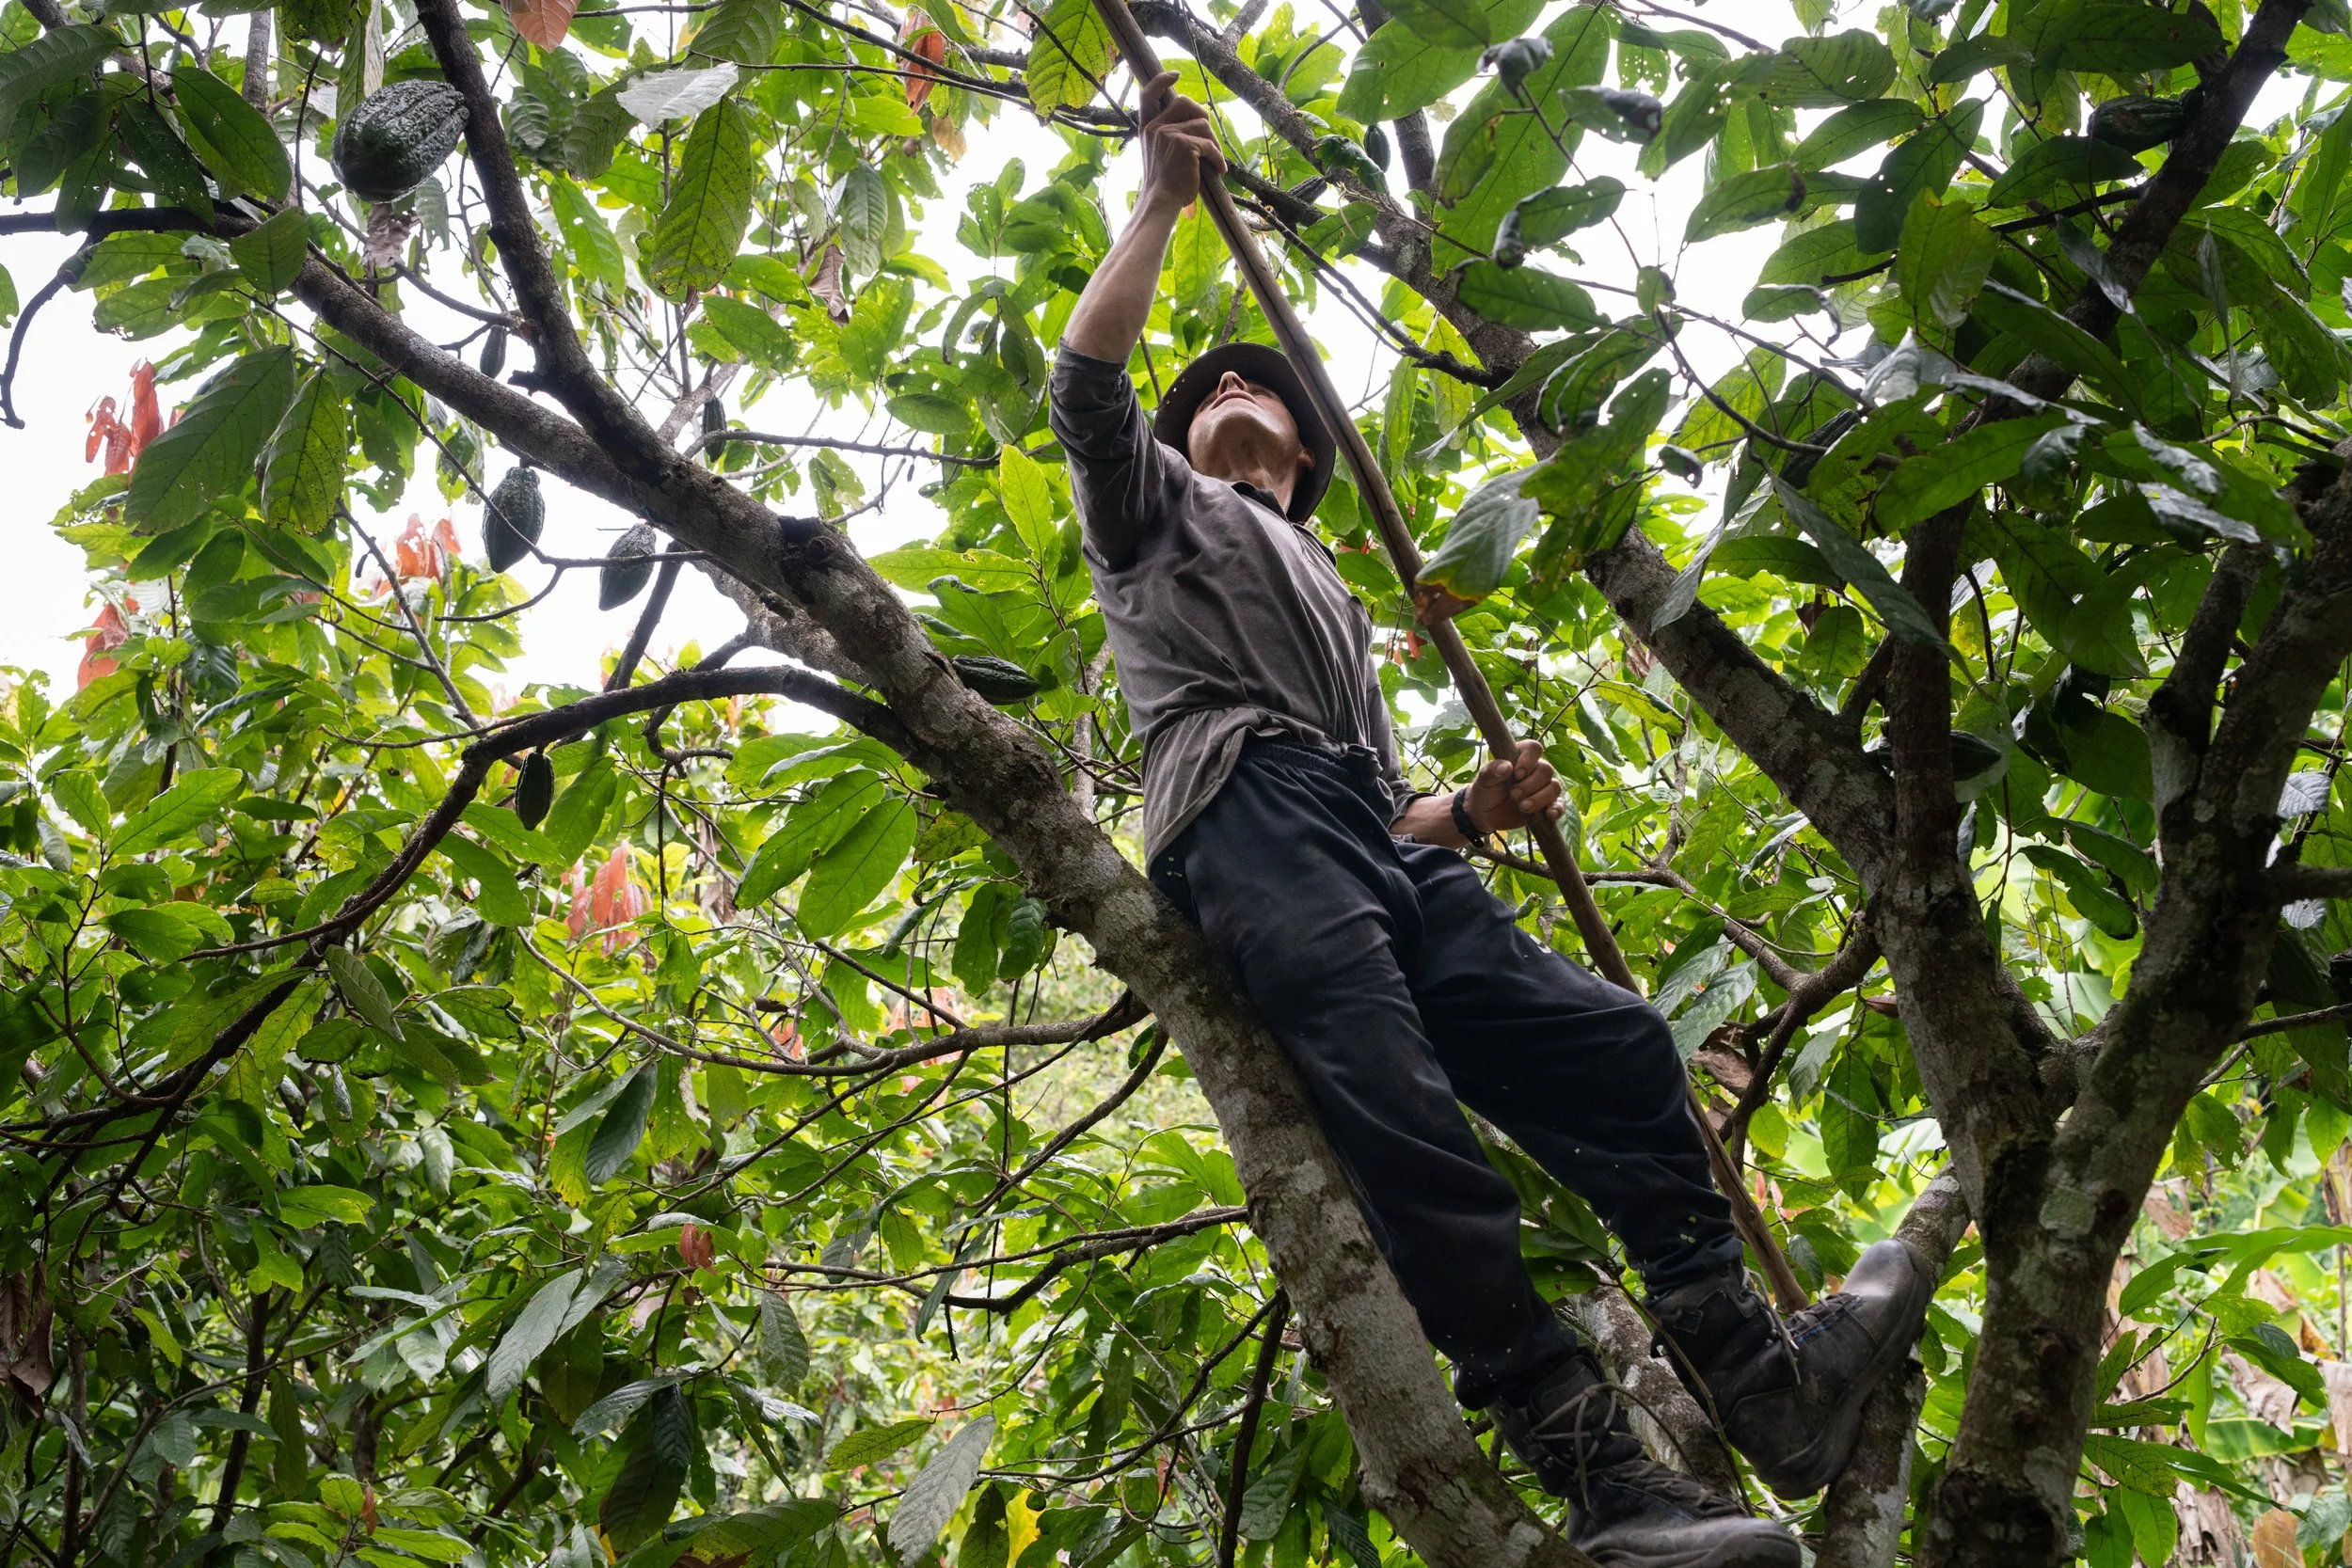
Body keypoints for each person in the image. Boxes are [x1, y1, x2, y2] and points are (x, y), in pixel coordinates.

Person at [1045, 77, 1933, 1568]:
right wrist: (1157, 209)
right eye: (1208, 392)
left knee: (1617, 1044)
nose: (1227, 396)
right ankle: (1606, 1480)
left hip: (1366, 837)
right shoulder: (1157, 518)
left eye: (1255, 390)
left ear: (1312, 458)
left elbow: (1392, 805)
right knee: (1410, 1131)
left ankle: (1760, 1380)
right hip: (1247, 809)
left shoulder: (1328, 583)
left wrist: (1475, 807)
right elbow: (1086, 392)